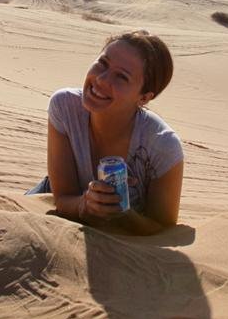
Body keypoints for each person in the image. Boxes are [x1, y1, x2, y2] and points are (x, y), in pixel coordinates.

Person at [26, 30, 184, 236]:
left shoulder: (162, 145)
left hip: (121, 245)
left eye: (121, 77)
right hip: (49, 208)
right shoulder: (65, 106)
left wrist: (121, 213)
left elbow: (165, 229)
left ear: (144, 98)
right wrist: (84, 205)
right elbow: (62, 197)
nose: (101, 79)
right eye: (103, 63)